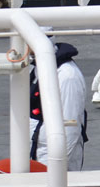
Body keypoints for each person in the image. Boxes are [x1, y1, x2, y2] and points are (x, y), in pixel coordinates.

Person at [29, 39, 87, 170]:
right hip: (37, 150)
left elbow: (71, 127)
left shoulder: (67, 77)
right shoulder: (37, 68)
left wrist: (56, 168)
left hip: (54, 156)